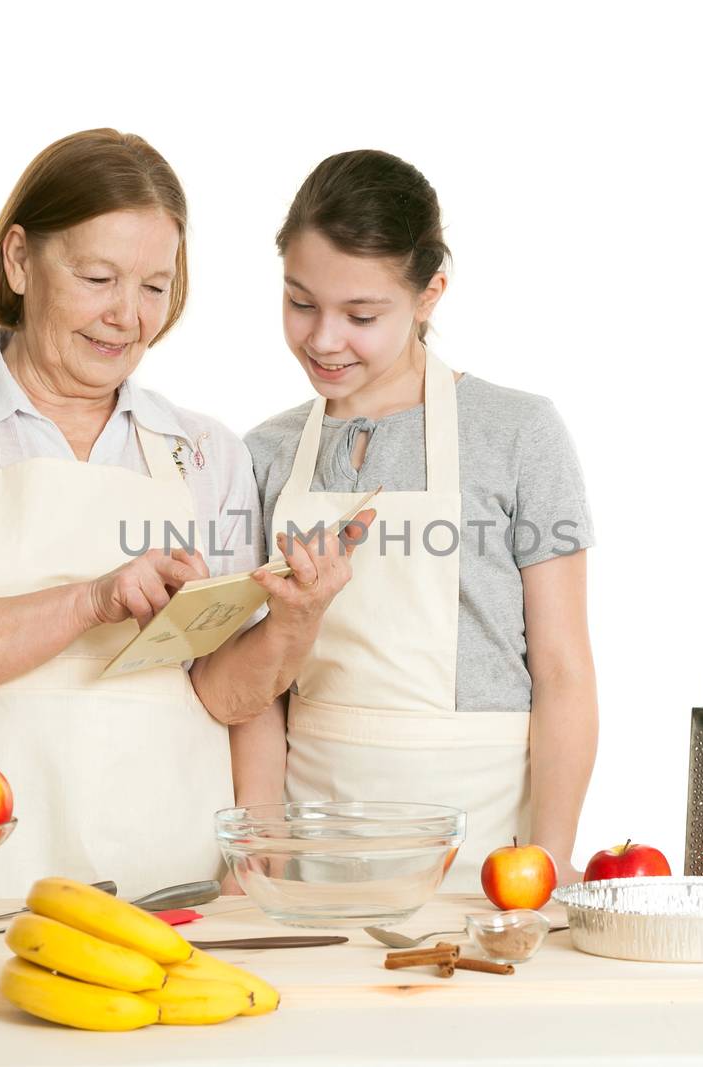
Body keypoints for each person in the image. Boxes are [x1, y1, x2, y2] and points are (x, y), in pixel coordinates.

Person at [0, 130, 366, 899]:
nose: (127, 316)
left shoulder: (206, 452)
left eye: (154, 285)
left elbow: (223, 693)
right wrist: (93, 599)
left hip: (167, 872)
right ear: (19, 260)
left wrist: (293, 621)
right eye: (98, 276)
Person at [237, 150, 599, 891]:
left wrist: (551, 862)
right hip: (313, 839)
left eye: (362, 315)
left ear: (430, 292)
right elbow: (258, 687)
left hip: (481, 845)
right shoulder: (265, 453)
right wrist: (258, 854)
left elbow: (563, 672)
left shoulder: (519, 433)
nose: (324, 339)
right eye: (300, 302)